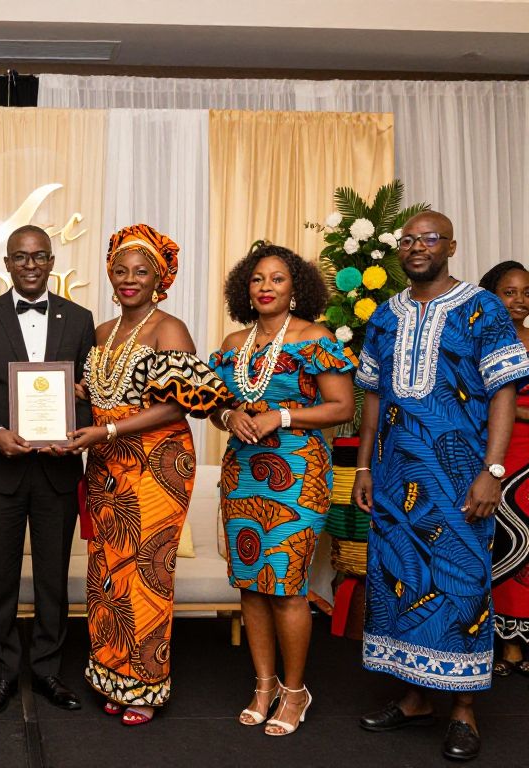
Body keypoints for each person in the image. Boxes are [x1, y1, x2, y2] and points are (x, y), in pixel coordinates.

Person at [353, 213, 529, 762]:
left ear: (451, 245)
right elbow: (374, 395)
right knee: (399, 581)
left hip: (458, 479)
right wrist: (362, 468)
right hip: (393, 480)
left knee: (461, 586)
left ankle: (463, 710)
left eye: (429, 238)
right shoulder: (385, 315)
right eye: (407, 240)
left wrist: (493, 471)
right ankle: (414, 698)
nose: (417, 247)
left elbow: (503, 391)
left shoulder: (484, 308)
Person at [65, 224, 232, 726]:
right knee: (107, 572)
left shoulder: (169, 328)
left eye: (141, 271)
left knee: (148, 573)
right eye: (120, 270)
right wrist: (73, 397)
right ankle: (111, 673)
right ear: (110, 276)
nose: (128, 279)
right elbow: (101, 393)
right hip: (106, 466)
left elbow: (176, 407)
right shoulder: (101, 333)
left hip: (157, 464)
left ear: (159, 277)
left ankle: (145, 684)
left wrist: (108, 425)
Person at [209, 241, 355, 736]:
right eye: (257, 279)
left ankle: (296, 692)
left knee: (287, 586)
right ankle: (264, 684)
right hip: (242, 471)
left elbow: (341, 407)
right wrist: (229, 414)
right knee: (250, 584)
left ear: (296, 288)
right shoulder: (233, 344)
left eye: (276, 279)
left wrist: (282, 414)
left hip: (299, 473)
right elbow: (215, 404)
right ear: (244, 290)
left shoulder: (315, 337)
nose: (266, 287)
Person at [0, 224, 95, 714]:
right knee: (0, 578)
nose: (31, 265)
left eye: (39, 256)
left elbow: (89, 391)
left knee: (54, 577)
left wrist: (72, 433)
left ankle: (49, 671)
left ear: (52, 261)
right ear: (8, 264)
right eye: (21, 257)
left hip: (58, 469)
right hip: (0, 468)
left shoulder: (80, 319)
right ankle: (2, 675)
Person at [479, 262, 529, 678]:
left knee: (526, 544)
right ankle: (492, 640)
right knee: (493, 541)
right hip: (490, 456)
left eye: (526, 292)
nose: (520, 300)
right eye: (509, 291)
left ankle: (519, 642)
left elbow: (502, 401)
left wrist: (510, 407)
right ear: (492, 295)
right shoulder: (479, 341)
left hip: (528, 459)